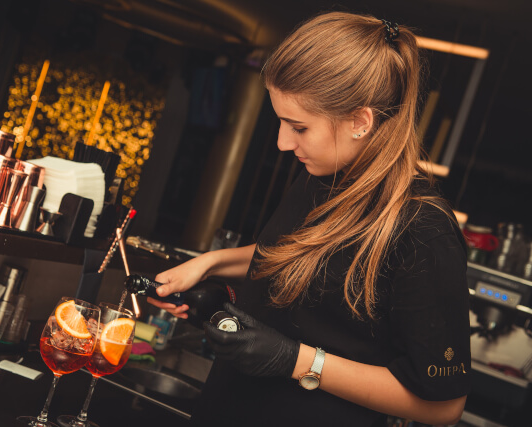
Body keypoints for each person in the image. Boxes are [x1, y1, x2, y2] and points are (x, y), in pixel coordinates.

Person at [148, 11, 471, 427]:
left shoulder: (423, 230)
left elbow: (444, 407)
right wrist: (211, 267)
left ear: (360, 121)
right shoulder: (320, 179)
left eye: (298, 126)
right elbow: (293, 258)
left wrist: (296, 360)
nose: (284, 142)